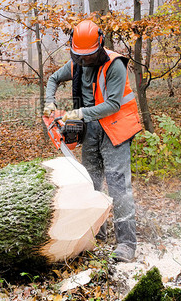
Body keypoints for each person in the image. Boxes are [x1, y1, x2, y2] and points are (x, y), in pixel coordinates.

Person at [43, 19, 142, 262]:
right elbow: (53, 79)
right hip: (91, 130)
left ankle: (127, 243)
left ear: (100, 45)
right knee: (90, 182)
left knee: (119, 186)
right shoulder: (77, 63)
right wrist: (49, 101)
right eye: (80, 56)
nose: (84, 61)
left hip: (115, 129)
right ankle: (96, 233)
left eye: (88, 56)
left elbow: (113, 104)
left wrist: (79, 114)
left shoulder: (114, 65)